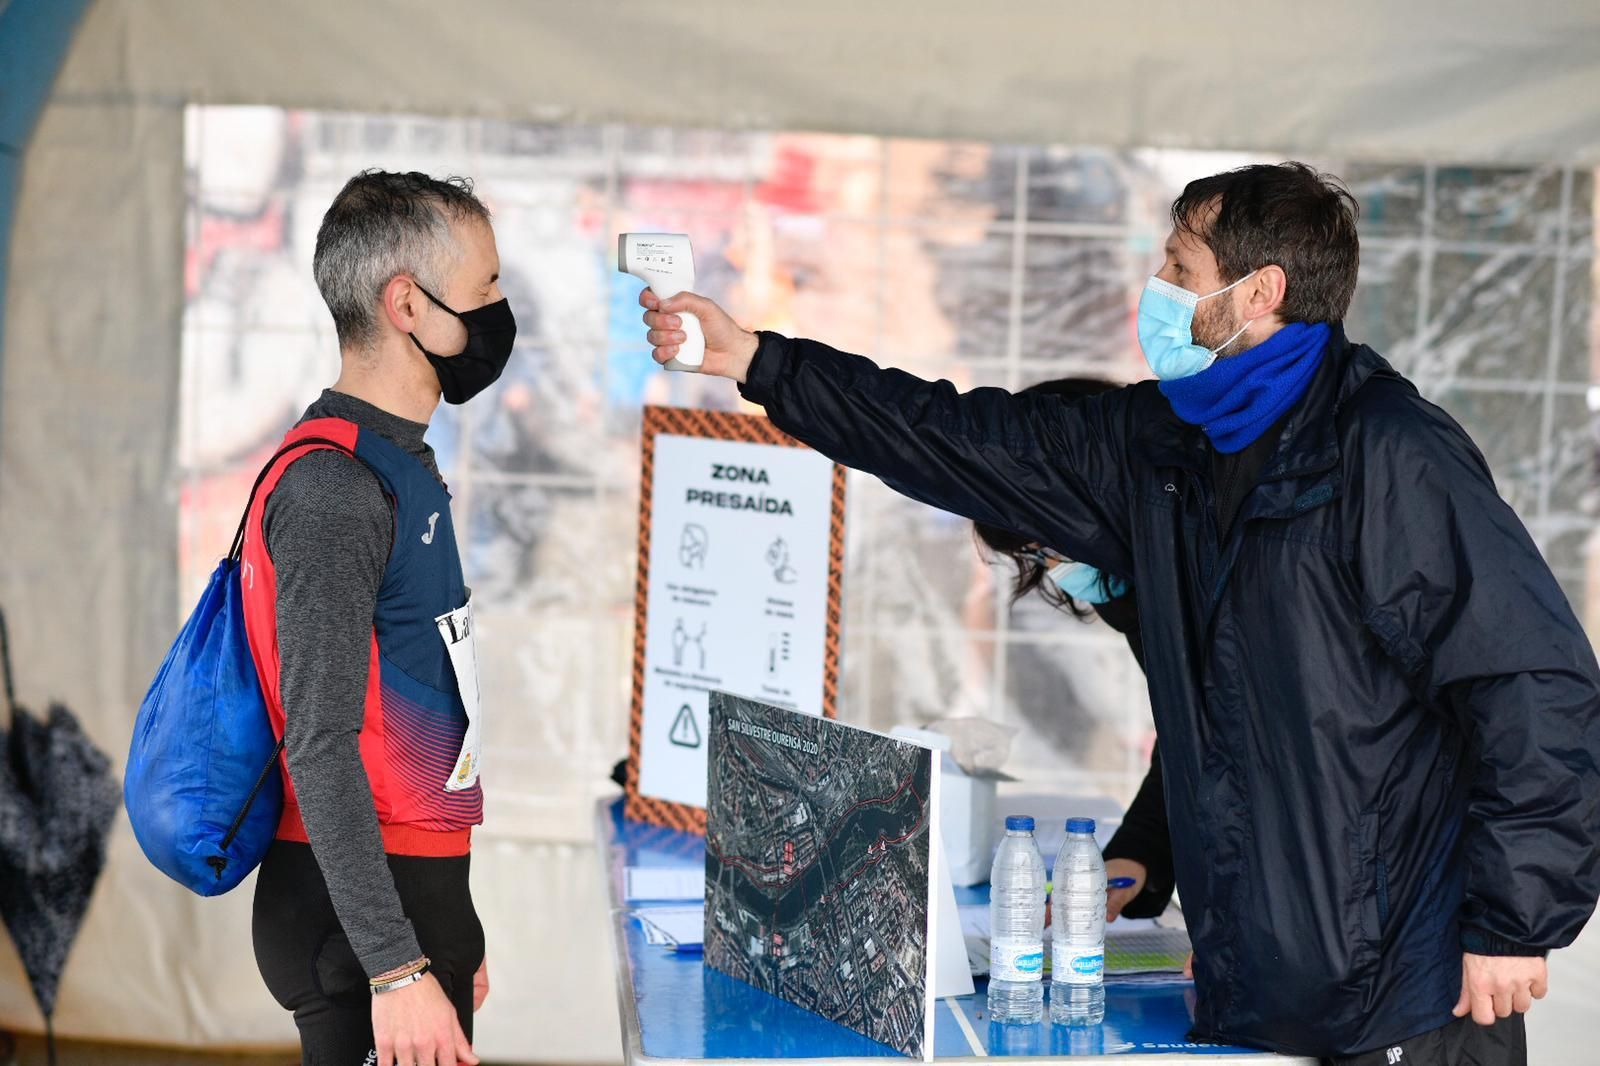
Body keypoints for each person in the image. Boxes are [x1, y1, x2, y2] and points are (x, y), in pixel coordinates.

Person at [639, 162, 1600, 1064]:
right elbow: (957, 436)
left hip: (1408, 994)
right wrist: (760, 362)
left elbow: (1535, 684)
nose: (1157, 287)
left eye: (1180, 269)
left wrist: (1513, 921)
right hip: (1256, 984)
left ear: (1259, 293)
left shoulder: (1389, 455)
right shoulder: (1162, 444)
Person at [240, 170, 515, 1066]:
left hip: (399, 895)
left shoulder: (395, 463)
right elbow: (319, 742)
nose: (499, 315)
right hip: (347, 919)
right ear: (407, 302)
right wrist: (395, 966)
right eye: (485, 291)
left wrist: (448, 926)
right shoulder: (334, 490)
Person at [970, 377, 1175, 927]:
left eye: (1049, 543)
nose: (1055, 567)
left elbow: (1277, 762)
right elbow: (1195, 743)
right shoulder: (1143, 602)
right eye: (1036, 556)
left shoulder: (1214, 591)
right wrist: (1136, 854)